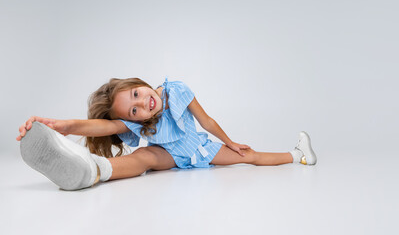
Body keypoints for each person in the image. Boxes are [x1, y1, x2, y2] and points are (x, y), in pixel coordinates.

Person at [16, 77, 317, 190]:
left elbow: (207, 121)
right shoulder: (139, 121)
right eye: (133, 110)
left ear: (139, 82)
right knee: (145, 155)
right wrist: (63, 127)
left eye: (136, 93)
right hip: (169, 155)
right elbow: (106, 127)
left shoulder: (176, 90)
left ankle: (298, 155)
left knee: (250, 158)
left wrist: (230, 143)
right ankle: (92, 170)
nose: (141, 104)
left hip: (200, 149)